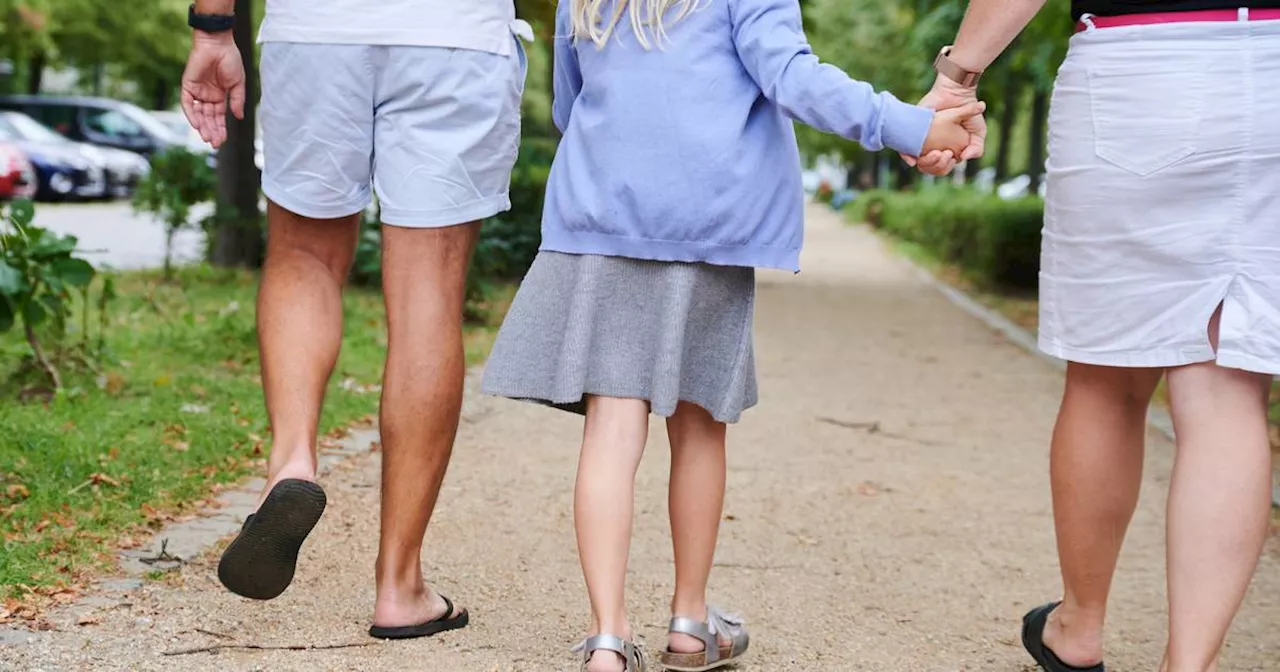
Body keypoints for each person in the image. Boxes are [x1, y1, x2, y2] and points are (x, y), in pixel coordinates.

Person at [479, 0, 984, 670]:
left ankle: (607, 636)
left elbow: (569, 107)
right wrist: (908, 125)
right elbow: (793, 79)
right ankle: (689, 622)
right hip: (708, 225)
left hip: (604, 219)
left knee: (611, 425)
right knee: (698, 425)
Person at [914, 2, 1280, 671]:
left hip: (1143, 68)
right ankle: (1188, 664)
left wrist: (958, 74)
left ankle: (1079, 628)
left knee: (1107, 379)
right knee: (1229, 389)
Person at [179, 0, 528, 639]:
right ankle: (400, 587)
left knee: (304, 255)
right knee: (430, 285)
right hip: (454, 35)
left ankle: (291, 462)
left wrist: (212, 24)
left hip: (316, 32)